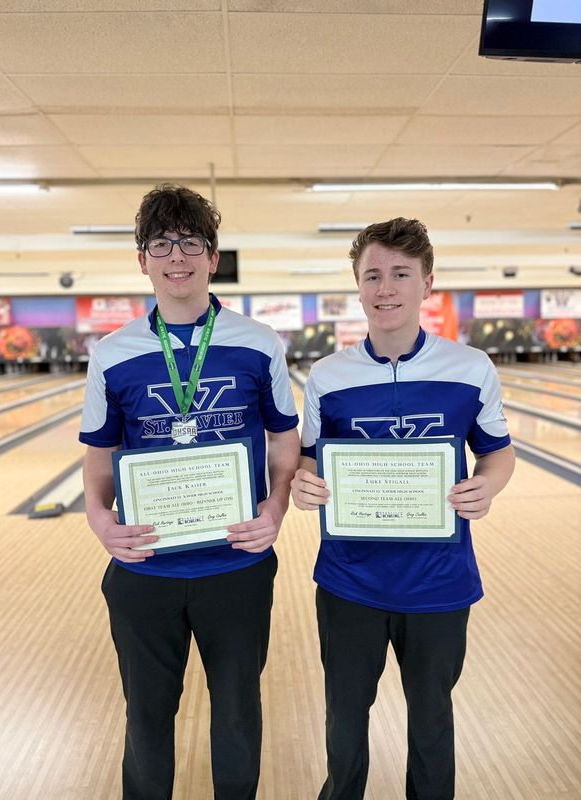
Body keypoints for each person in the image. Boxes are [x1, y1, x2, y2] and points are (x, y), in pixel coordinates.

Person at [79, 184, 300, 800]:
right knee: (146, 718)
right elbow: (100, 456)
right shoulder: (112, 354)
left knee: (237, 712)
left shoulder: (258, 342)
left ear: (213, 256)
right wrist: (99, 519)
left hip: (236, 565)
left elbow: (285, 440)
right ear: (142, 259)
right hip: (144, 568)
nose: (177, 256)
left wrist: (275, 507)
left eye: (191, 243)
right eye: (161, 244)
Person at [290, 217, 515, 800]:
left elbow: (498, 454)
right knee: (344, 721)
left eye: (400, 274)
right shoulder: (328, 377)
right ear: (358, 286)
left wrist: (487, 486)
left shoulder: (471, 368)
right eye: (372, 276)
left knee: (432, 721)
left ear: (426, 283)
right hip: (349, 582)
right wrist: (302, 484)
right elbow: (309, 459)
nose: (385, 288)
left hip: (439, 582)